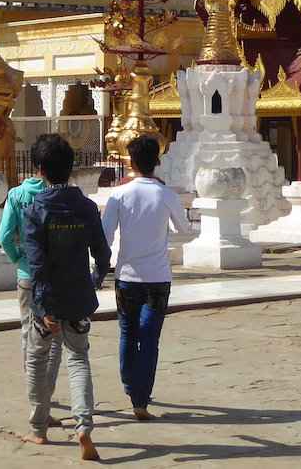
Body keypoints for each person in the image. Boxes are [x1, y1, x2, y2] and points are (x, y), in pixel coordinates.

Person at [20, 134, 111, 461]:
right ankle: (84, 425)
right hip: (77, 297)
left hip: (48, 298)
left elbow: (37, 264)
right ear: (71, 168)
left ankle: (38, 427)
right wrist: (93, 282)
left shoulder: (35, 209)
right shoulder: (86, 207)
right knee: (78, 358)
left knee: (37, 358)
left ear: (39, 169)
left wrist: (43, 306)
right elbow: (103, 255)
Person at [101, 136, 193, 421]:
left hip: (127, 276)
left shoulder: (119, 195)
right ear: (157, 161)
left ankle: (131, 386)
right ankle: (141, 399)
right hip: (157, 277)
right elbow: (186, 231)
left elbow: (106, 235)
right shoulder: (166, 195)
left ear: (131, 162)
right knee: (150, 338)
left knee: (128, 332)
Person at [0, 147, 62, 431]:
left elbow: (4, 236)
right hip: (56, 273)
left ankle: (34, 392)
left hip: (27, 273)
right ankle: (44, 395)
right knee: (54, 340)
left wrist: (18, 258)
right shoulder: (57, 195)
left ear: (36, 166)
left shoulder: (16, 195)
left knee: (29, 331)